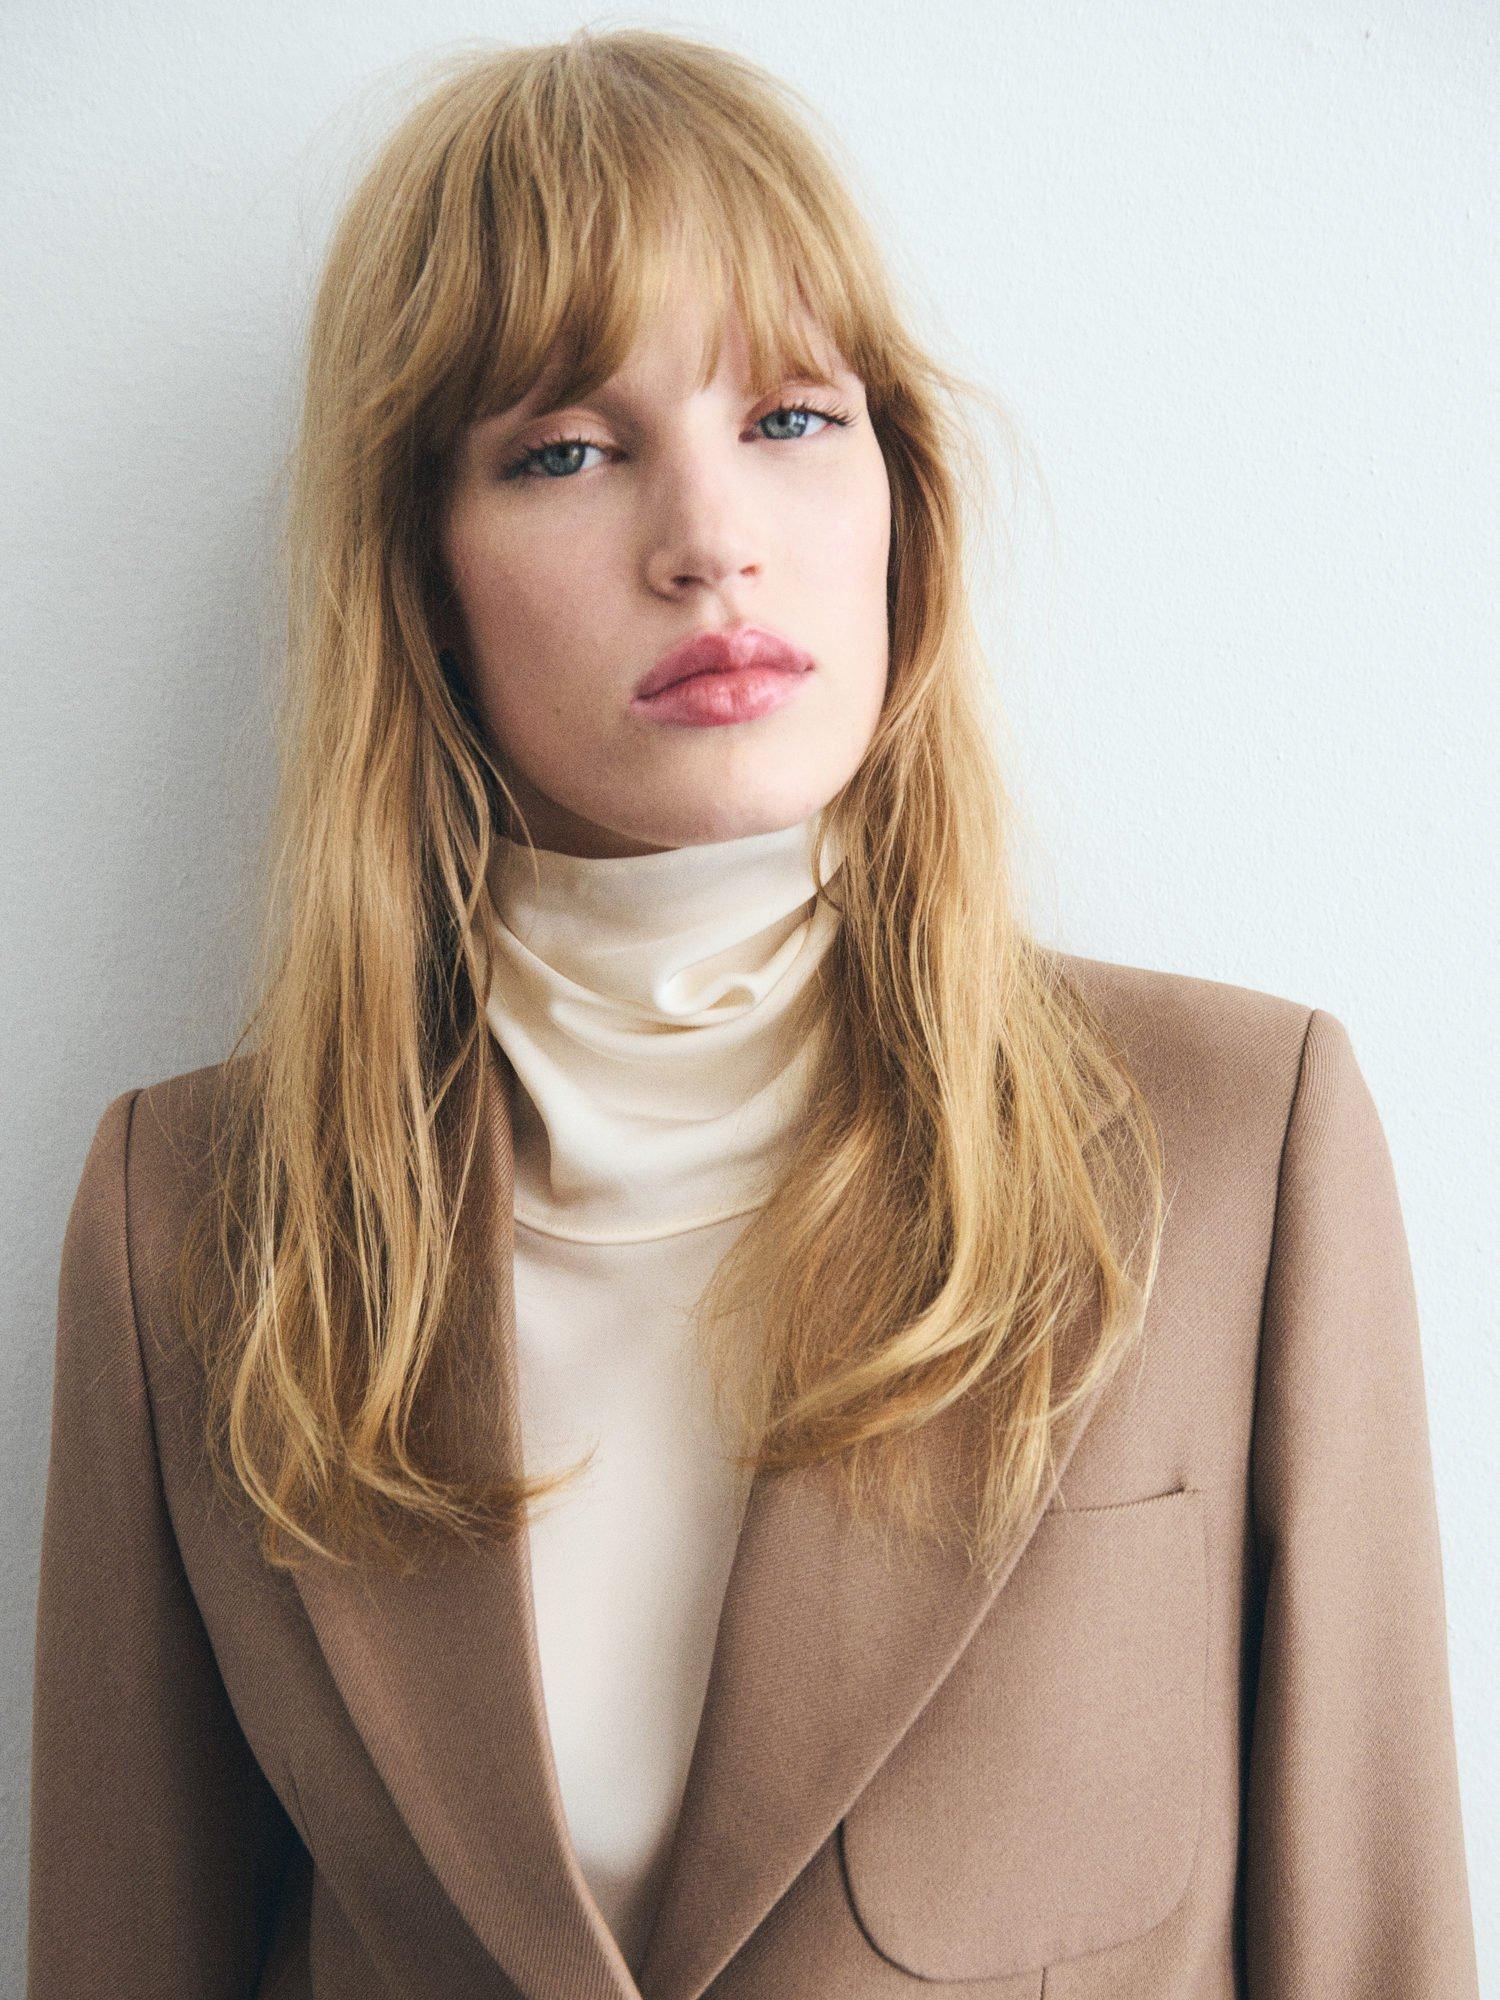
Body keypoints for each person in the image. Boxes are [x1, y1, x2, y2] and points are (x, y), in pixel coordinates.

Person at [26, 27, 1479, 2000]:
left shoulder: (1237, 1138)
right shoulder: (190, 1216)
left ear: (900, 499)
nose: (710, 539)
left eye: (792, 416)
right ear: (420, 573)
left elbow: (1378, 1949)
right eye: (566, 449)